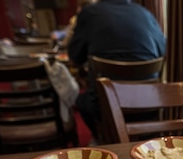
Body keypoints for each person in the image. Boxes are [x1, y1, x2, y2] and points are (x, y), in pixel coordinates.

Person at [67, 0, 166, 140]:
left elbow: (75, 58)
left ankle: (102, 140)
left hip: (106, 109)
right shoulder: (145, 13)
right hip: (149, 103)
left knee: (81, 101)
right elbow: (163, 52)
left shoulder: (90, 13)